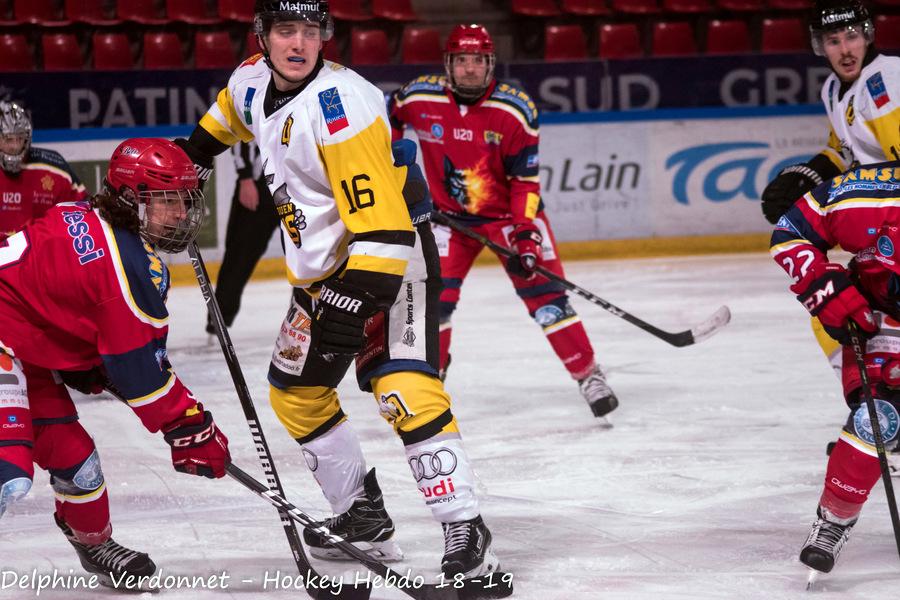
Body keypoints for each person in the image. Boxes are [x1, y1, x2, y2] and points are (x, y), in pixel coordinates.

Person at [175, 0, 504, 583]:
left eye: (310, 31)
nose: (299, 44)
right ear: (262, 37)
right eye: (285, 31)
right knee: (297, 394)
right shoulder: (251, 78)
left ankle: (466, 527)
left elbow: (385, 228)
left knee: (399, 385)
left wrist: (354, 304)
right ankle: (362, 516)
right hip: (323, 270)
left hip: (391, 260)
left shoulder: (342, 108)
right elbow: (228, 114)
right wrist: (191, 159)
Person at [0, 137, 231, 588]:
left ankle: (94, 544)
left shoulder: (87, 212)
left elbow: (52, 295)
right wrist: (191, 428)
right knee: (9, 469)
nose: (181, 214)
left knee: (76, 461)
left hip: (22, 349)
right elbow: (142, 374)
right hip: (8, 345)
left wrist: (83, 360)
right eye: (167, 201)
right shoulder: (128, 269)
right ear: (131, 199)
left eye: (184, 200)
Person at [387, 23, 618, 419]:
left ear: (491, 63)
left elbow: (525, 181)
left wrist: (526, 235)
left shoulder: (515, 110)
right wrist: (397, 168)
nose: (470, 68)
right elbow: (388, 117)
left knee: (548, 300)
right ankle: (428, 382)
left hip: (508, 217)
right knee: (434, 302)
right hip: (448, 220)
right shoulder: (418, 95)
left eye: (478, 60)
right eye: (462, 60)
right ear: (448, 63)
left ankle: (588, 375)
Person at [770, 160, 900, 575]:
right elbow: (790, 232)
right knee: (879, 417)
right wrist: (823, 287)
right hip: (885, 319)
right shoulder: (865, 192)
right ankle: (834, 520)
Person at [761, 0, 900, 378]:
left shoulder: (886, 81)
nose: (845, 49)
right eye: (833, 41)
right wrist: (804, 175)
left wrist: (828, 198)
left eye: (852, 37)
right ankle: (874, 399)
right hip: (880, 218)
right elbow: (842, 151)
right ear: (820, 46)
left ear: (868, 35)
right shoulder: (833, 90)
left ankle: (877, 398)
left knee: (843, 304)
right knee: (836, 305)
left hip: (890, 220)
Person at [205, 139, 280, 334]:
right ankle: (219, 319)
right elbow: (241, 132)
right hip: (260, 185)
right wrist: (245, 177)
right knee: (239, 255)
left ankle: (308, 318)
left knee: (307, 256)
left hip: (299, 185)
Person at [0, 100, 88, 236]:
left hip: (39, 248)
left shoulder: (55, 170)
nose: (15, 146)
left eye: (20, 138)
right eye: (8, 139)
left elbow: (84, 213)